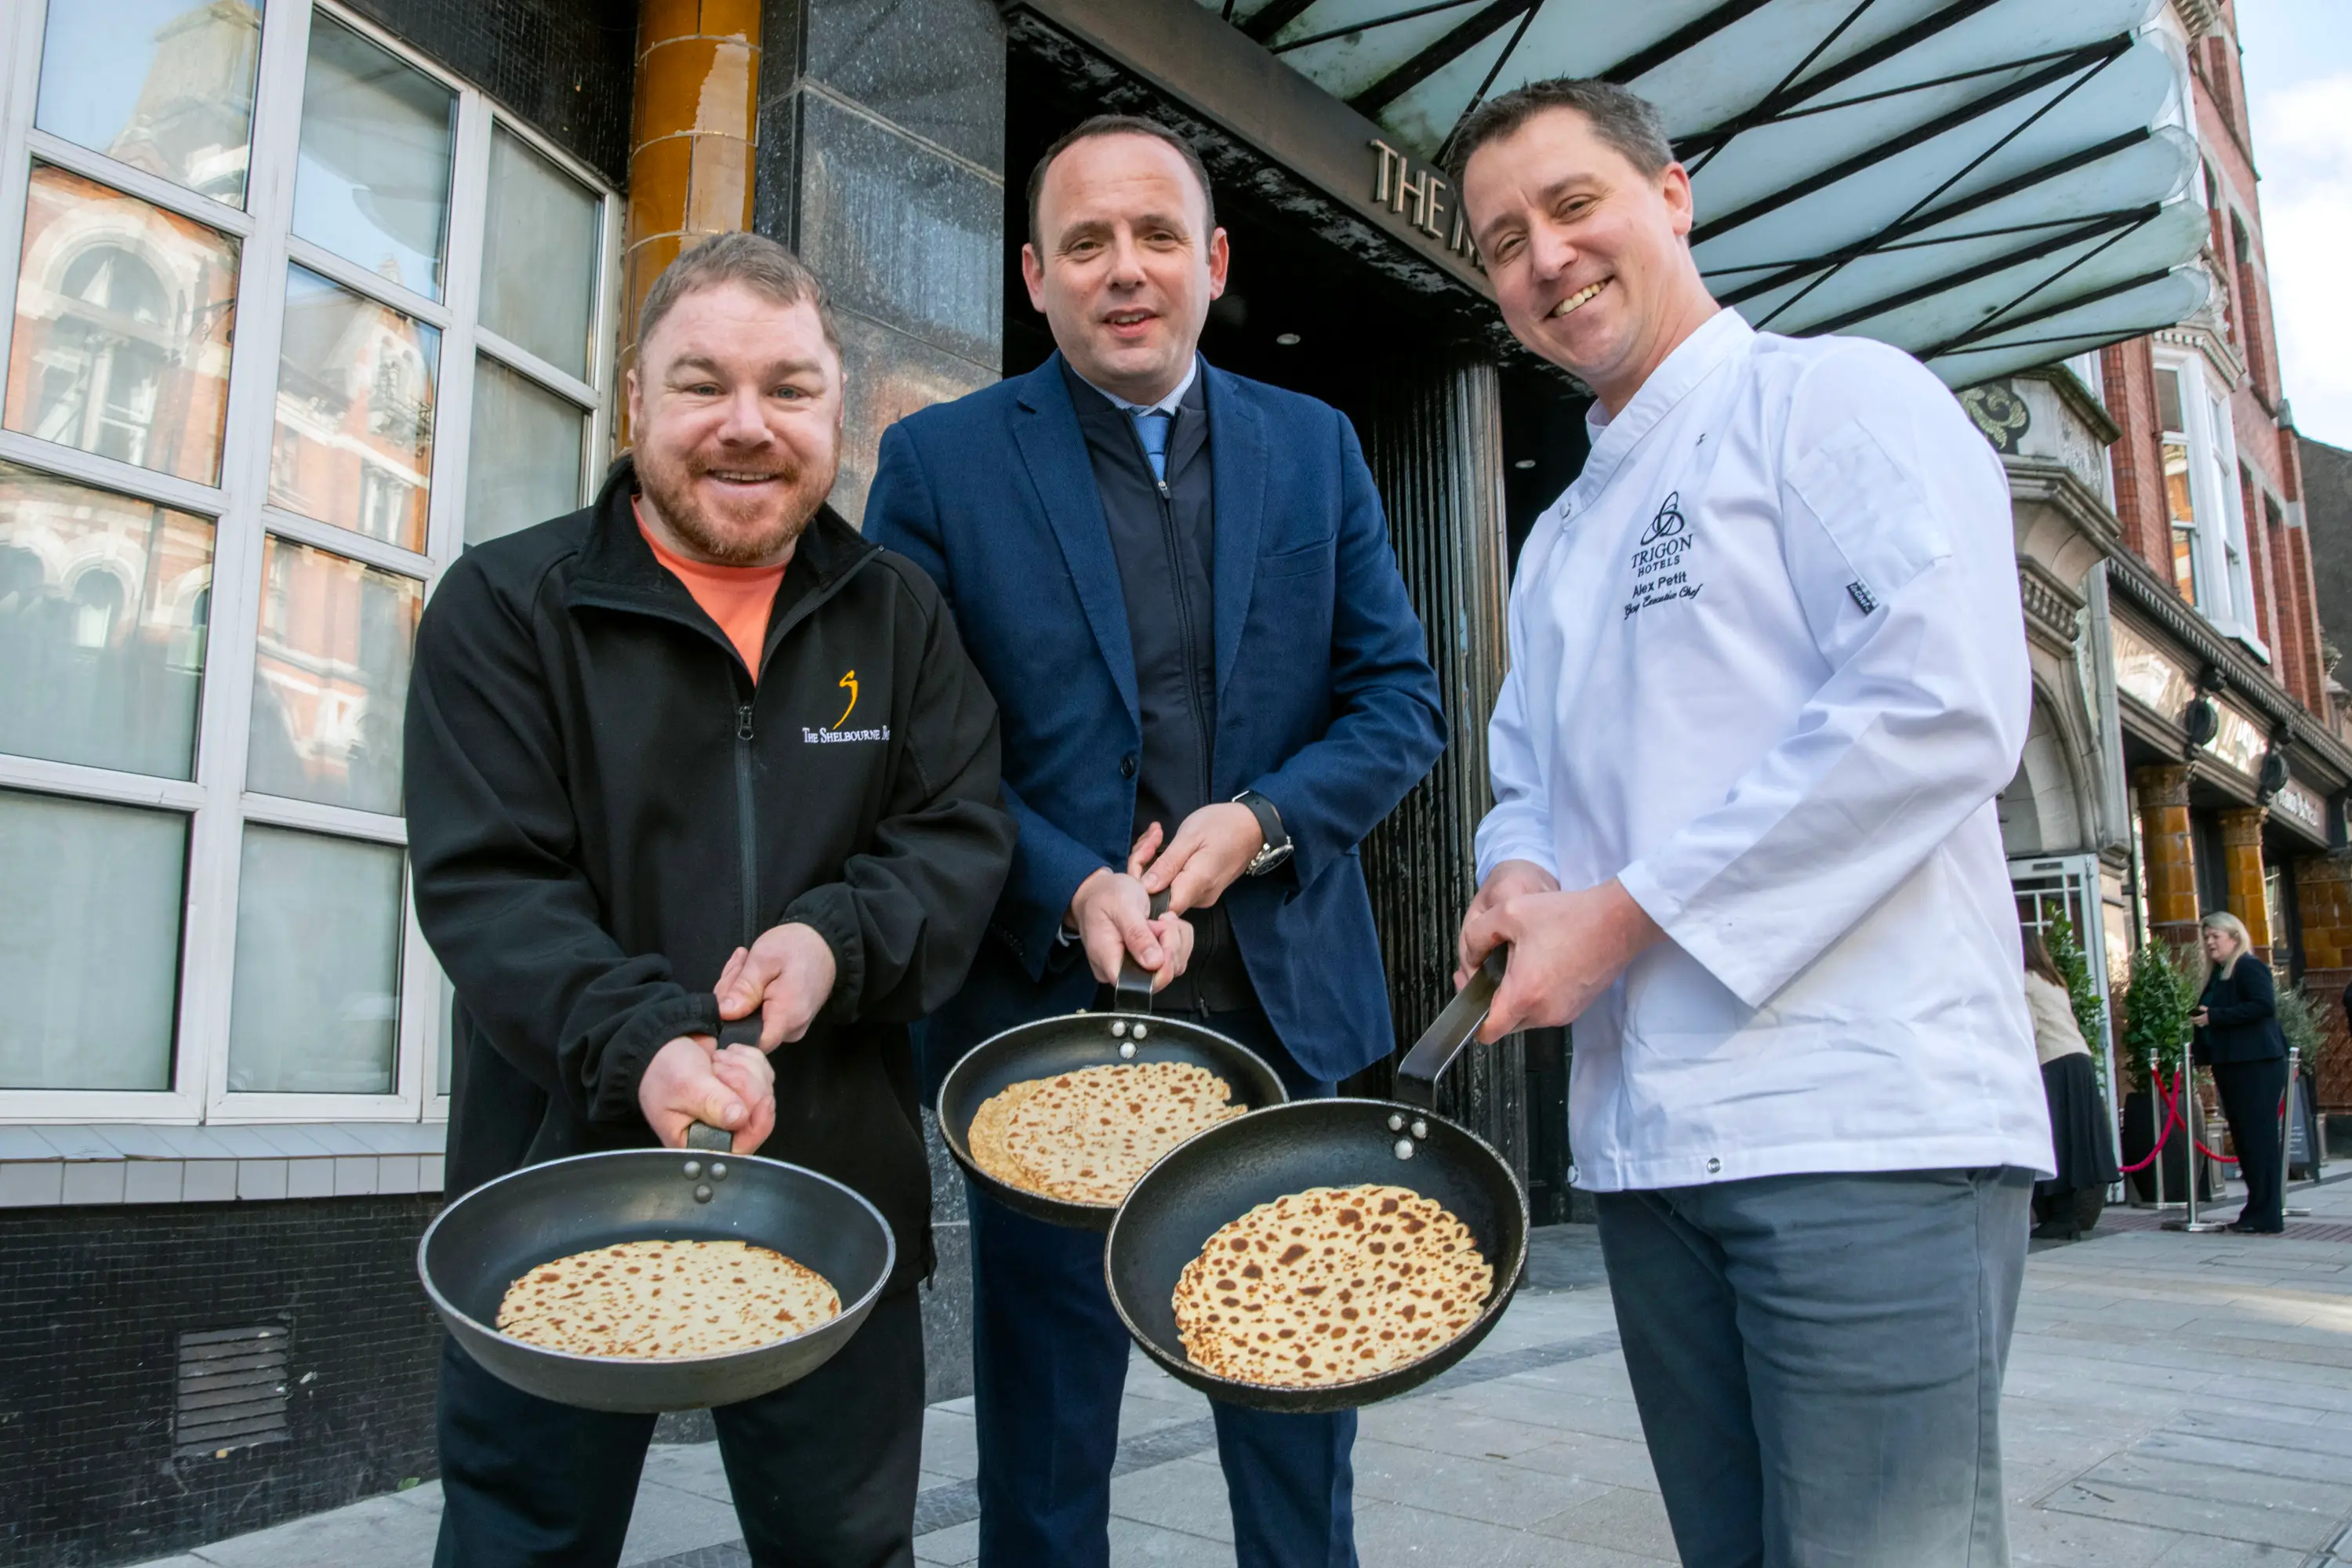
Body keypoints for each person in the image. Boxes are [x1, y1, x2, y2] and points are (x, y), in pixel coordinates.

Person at [1447, 78, 2052, 1566]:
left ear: (1674, 197)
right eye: (1502, 238)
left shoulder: (1835, 397)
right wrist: (1518, 872)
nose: (1546, 258)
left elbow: (1943, 703)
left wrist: (1625, 914)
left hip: (1864, 1129)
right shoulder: (1561, 536)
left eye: (1575, 204)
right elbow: (1527, 769)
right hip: (1652, 1155)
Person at [866, 114, 1446, 1568]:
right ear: (1034, 276)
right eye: (1085, 244)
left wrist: (1260, 822)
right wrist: (1070, 884)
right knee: (1047, 1448)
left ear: (1214, 261)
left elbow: (1400, 704)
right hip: (1049, 1026)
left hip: (1286, 1025)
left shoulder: (1314, 448)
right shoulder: (936, 466)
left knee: (1298, 1424)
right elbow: (914, 755)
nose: (1125, 270)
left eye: (1156, 237)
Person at [404, 232, 1016, 1568]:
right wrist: (647, 1044)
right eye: (704, 385)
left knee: (849, 1551)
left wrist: (830, 945)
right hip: (560, 1185)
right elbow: (493, 887)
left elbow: (958, 844)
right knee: (523, 1544)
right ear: (635, 400)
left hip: (834, 1194)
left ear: (837, 412)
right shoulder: (509, 608)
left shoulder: (901, 616)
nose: (748, 426)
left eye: (789, 389)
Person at [2192, 911, 2288, 1235]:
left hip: (2257, 1064)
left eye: (2214, 937)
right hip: (2233, 1065)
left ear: (2233, 937)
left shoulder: (2248, 966)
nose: (2209, 943)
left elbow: (2264, 1005)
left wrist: (2214, 1016)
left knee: (2258, 1139)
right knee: (2246, 1140)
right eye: (2206, 938)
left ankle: (2268, 1213)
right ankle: (2256, 1207)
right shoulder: (2220, 973)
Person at [2022, 932, 2118, 1241]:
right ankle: (2063, 1216)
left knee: (2055, 1140)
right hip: (2078, 1060)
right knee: (2072, 1138)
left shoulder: (2023, 980)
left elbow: (2028, 1027)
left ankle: (2060, 1217)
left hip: (2051, 1063)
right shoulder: (2053, 980)